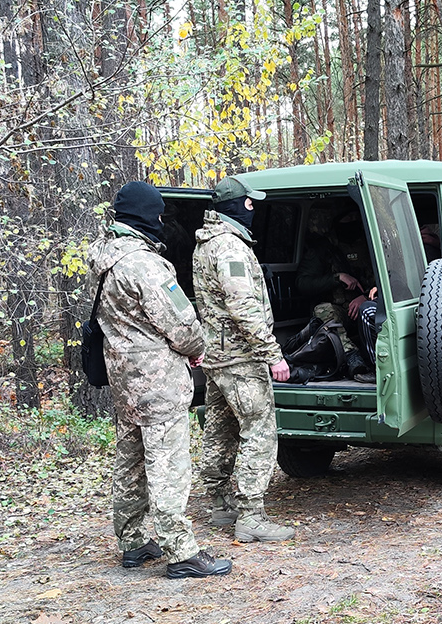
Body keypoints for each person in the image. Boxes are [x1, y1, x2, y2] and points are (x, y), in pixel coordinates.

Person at [89, 181, 232, 578]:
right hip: (157, 380)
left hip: (123, 377)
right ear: (148, 216)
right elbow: (182, 323)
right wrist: (196, 347)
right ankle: (181, 551)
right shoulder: (146, 264)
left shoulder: (103, 257)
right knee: (168, 462)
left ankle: (132, 541)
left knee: (130, 460)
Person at [192, 176, 296, 544]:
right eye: (250, 204)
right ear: (238, 206)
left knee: (220, 432)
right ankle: (251, 516)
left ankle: (220, 504)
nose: (254, 209)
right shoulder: (230, 248)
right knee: (259, 430)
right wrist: (273, 354)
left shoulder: (205, 244)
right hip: (240, 359)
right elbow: (242, 306)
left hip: (217, 358)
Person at [297, 208, 376, 380]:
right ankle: (351, 357)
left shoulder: (371, 243)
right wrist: (336, 277)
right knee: (323, 310)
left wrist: (365, 297)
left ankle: (376, 365)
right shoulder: (324, 250)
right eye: (348, 217)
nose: (352, 222)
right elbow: (303, 283)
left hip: (370, 306)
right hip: (341, 311)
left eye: (355, 218)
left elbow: (391, 277)